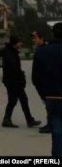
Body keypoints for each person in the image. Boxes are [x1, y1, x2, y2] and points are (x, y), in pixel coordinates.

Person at [32, 22, 62, 158]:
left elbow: (35, 78)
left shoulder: (42, 52)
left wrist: (44, 95)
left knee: (56, 130)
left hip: (52, 97)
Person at [1, 35, 42, 128]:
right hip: (14, 82)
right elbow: (13, 69)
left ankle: (26, 120)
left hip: (12, 81)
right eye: (19, 42)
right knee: (17, 100)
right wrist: (21, 79)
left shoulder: (11, 51)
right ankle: (11, 120)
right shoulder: (10, 53)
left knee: (18, 100)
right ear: (15, 43)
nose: (21, 44)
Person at [31, 30, 52, 134]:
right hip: (42, 83)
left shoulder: (44, 50)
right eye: (33, 38)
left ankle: (50, 125)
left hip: (45, 83)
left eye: (36, 38)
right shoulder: (40, 49)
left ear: (41, 38)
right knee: (48, 105)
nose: (34, 40)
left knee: (49, 105)